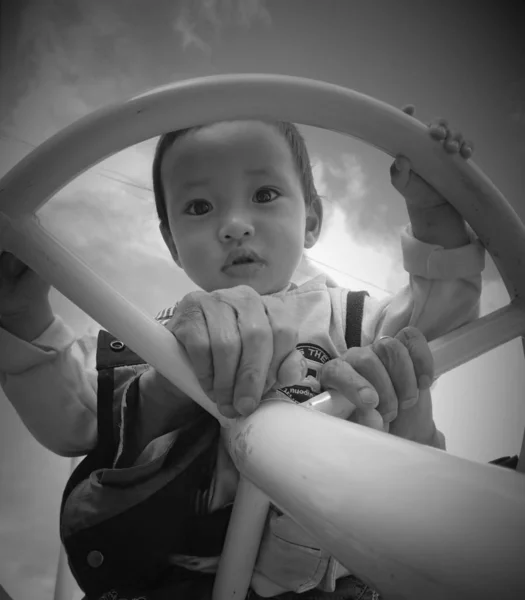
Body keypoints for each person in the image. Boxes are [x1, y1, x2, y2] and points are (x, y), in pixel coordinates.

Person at [0, 108, 484, 599]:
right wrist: (24, 317)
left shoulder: (352, 316)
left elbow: (436, 323)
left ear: (310, 220)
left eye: (264, 195)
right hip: (180, 580)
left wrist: (435, 215)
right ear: (172, 242)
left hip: (334, 580)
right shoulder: (154, 335)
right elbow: (72, 416)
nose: (234, 225)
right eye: (198, 207)